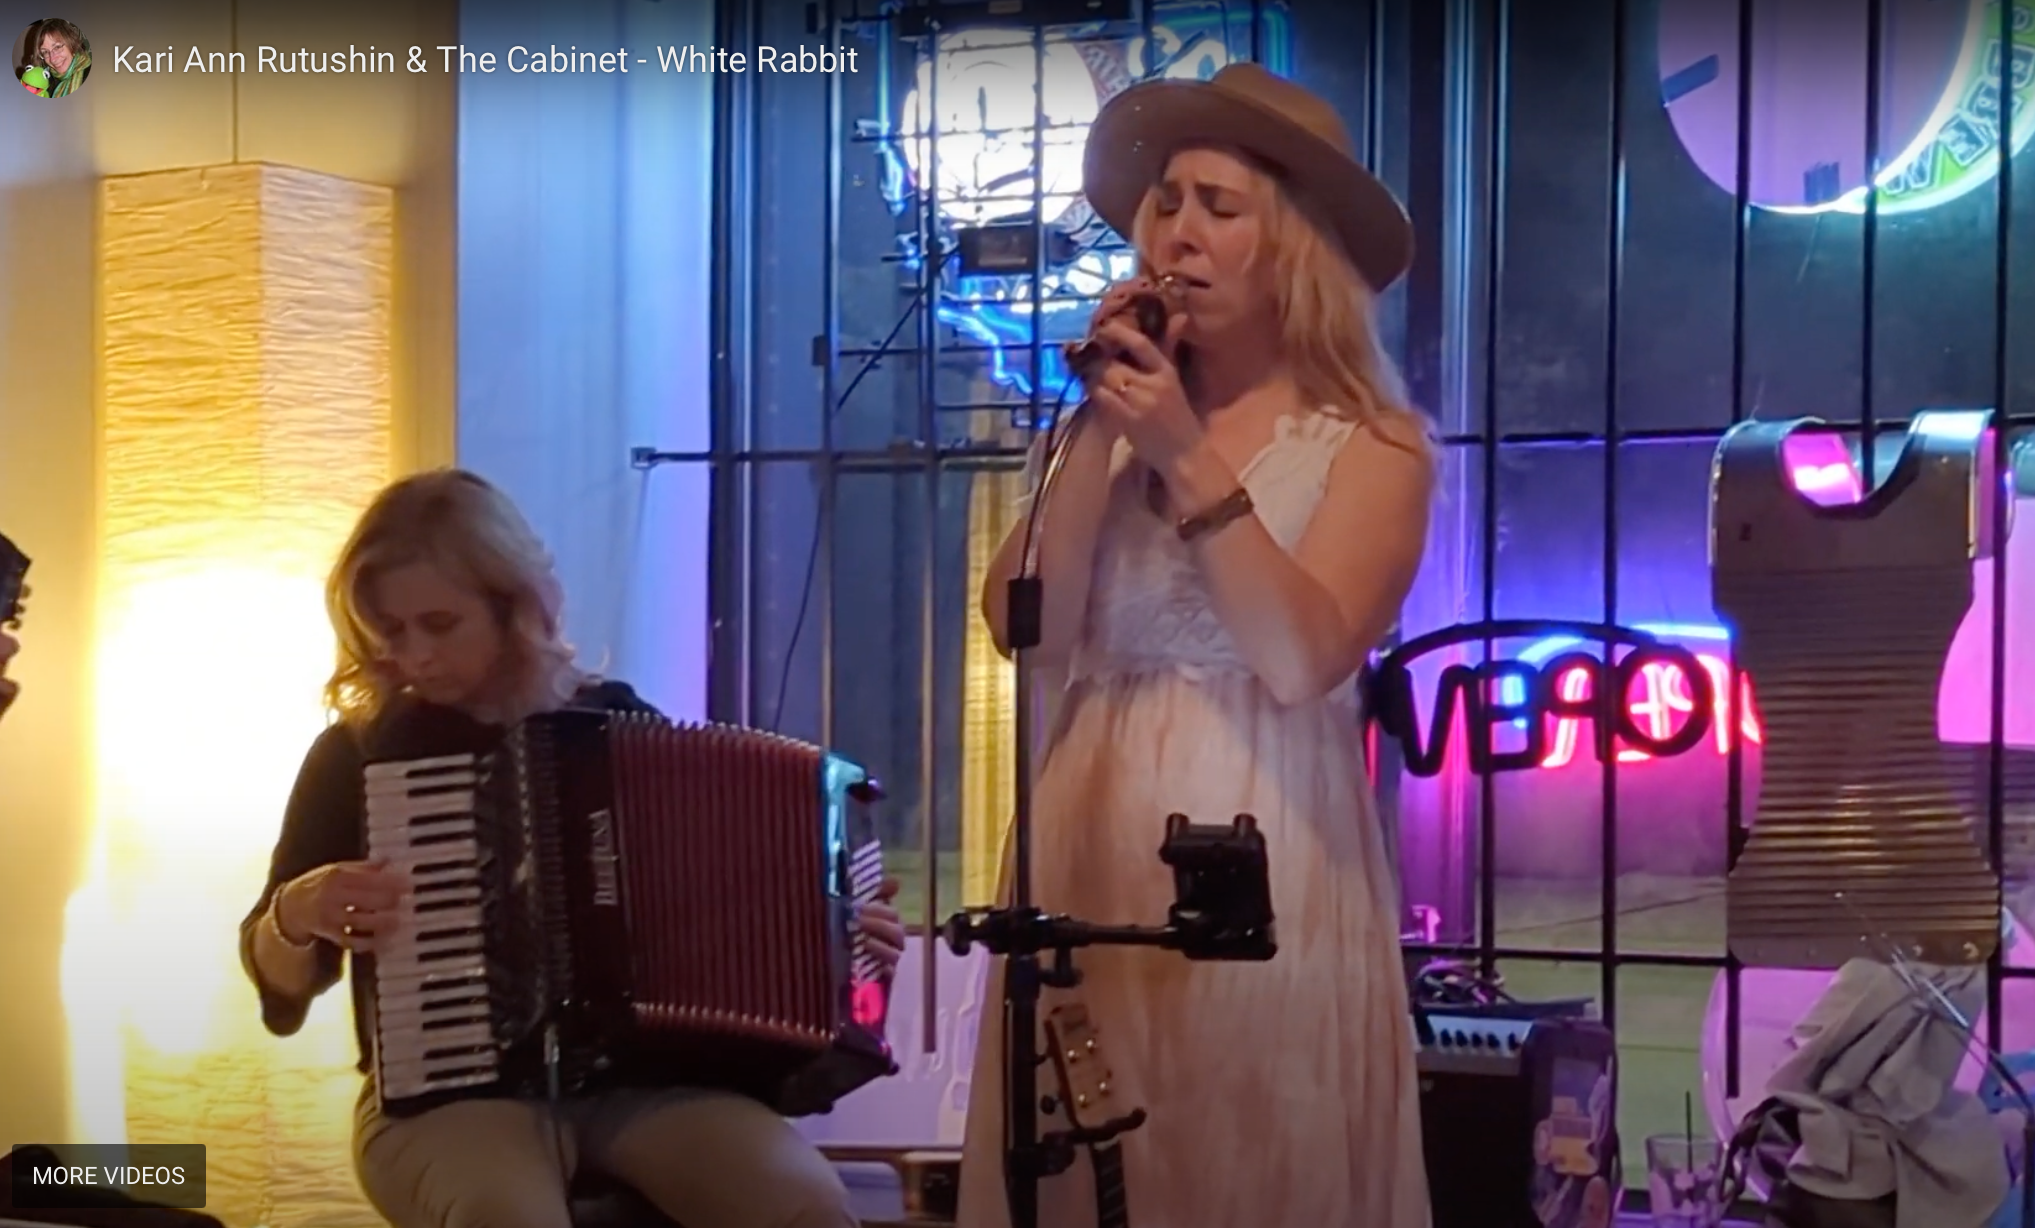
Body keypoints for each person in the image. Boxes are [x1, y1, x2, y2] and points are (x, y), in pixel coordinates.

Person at [962, 62, 1435, 1228]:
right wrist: (1098, 424)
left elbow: (1300, 655)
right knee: (1081, 1161)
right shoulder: (1109, 427)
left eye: (1218, 207)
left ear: (1293, 251)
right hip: (1088, 838)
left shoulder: (1372, 445)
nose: (1177, 232)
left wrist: (1185, 455)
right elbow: (1022, 622)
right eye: (1166, 201)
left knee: (1237, 1152)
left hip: (1260, 848)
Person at [237, 468, 905, 1228]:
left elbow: (729, 906)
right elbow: (280, 988)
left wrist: (844, 942)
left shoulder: (619, 727)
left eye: (440, 623)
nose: (414, 654)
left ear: (514, 606)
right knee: (506, 1216)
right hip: (449, 1095)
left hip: (645, 1084)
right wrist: (295, 914)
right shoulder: (359, 754)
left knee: (805, 1205)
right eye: (390, 630)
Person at [18, 18, 88, 98]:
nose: (52, 59)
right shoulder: (45, 81)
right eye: (45, 52)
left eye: (57, 47)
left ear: (71, 43)